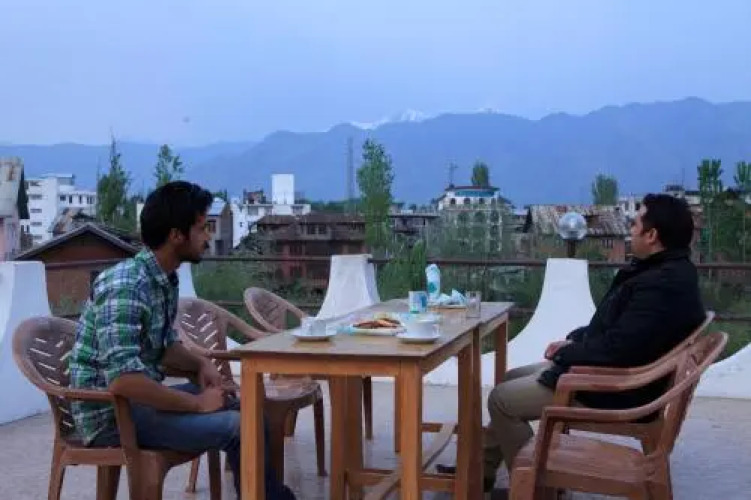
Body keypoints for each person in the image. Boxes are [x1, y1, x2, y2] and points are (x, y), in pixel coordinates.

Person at [438, 193, 706, 494]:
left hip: (612, 389)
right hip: (619, 378)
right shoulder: (668, 273)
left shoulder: (660, 284)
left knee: (502, 400)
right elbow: (622, 332)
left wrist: (569, 355)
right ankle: (481, 472)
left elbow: (618, 348)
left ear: (652, 235)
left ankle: (533, 488)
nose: (630, 229)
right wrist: (575, 340)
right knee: (511, 378)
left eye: (635, 223)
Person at [69, 181, 296, 499]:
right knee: (238, 427)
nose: (208, 237)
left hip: (140, 402)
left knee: (250, 406)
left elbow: (163, 348)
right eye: (202, 228)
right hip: (112, 415)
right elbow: (123, 380)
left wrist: (199, 364)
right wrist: (197, 404)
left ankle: (264, 494)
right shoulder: (126, 286)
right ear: (176, 235)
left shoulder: (163, 279)